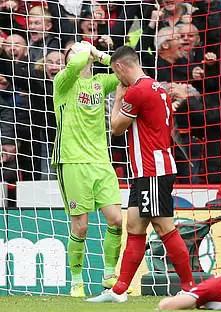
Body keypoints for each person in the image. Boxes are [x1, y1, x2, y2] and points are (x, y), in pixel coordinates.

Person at [86, 46, 194, 303]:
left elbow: (116, 128)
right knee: (134, 227)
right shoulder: (157, 88)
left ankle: (190, 287)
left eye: (115, 73)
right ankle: (119, 290)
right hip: (147, 170)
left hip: (152, 171)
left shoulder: (137, 91)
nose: (117, 79)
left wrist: (118, 98)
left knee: (164, 227)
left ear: (121, 68)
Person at [52, 41, 123, 297]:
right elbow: (77, 63)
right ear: (68, 58)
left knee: (116, 219)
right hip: (71, 161)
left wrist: (101, 55)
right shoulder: (63, 81)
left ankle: (108, 272)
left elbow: (126, 70)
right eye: (73, 50)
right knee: (80, 227)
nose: (80, 52)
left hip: (101, 162)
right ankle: (76, 279)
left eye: (81, 50)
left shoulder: (100, 83)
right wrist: (85, 49)